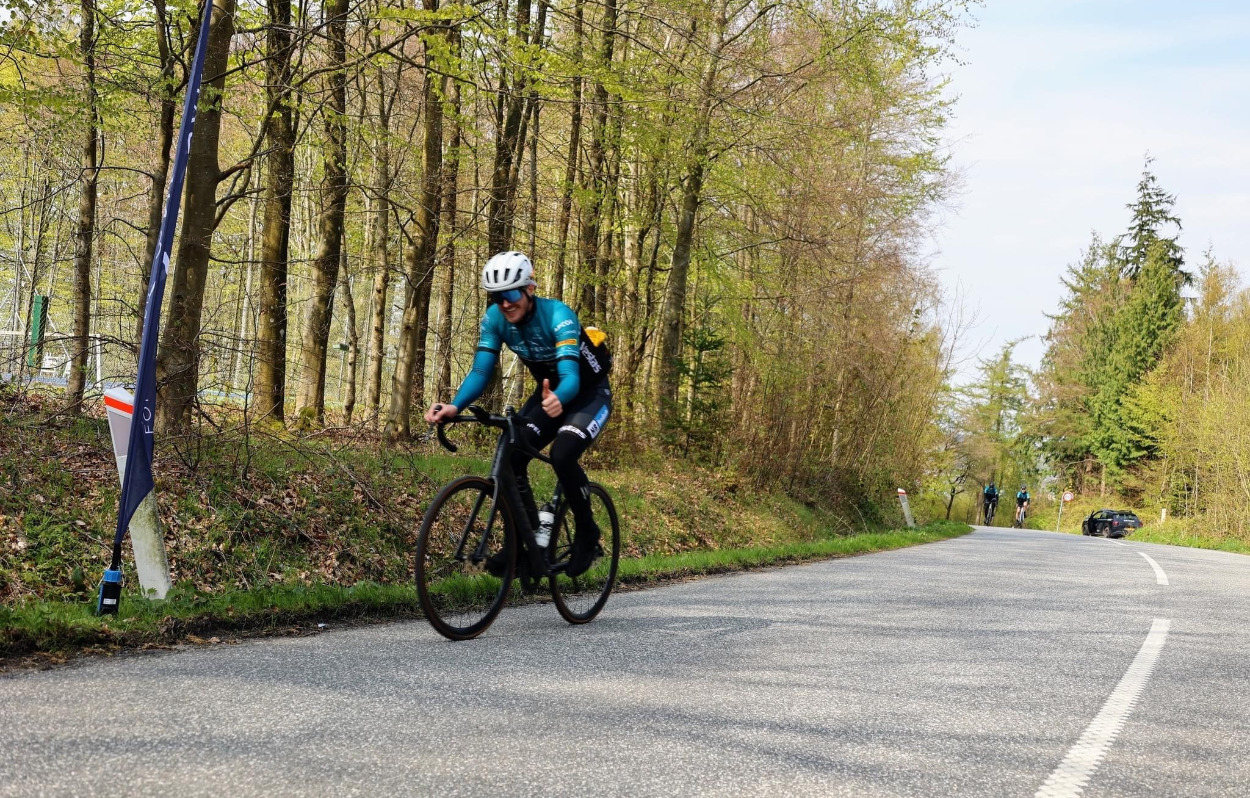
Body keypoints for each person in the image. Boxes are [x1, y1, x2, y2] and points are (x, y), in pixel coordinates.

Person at [424, 251, 612, 578]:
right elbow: (481, 371)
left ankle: (587, 533)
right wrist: (455, 405)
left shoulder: (559, 316)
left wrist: (561, 398)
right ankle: (524, 543)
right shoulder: (495, 319)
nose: (505, 304)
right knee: (512, 455)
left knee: (563, 454)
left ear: (529, 289)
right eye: (496, 297)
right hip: (549, 393)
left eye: (510, 294)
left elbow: (571, 377)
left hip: (587, 394)